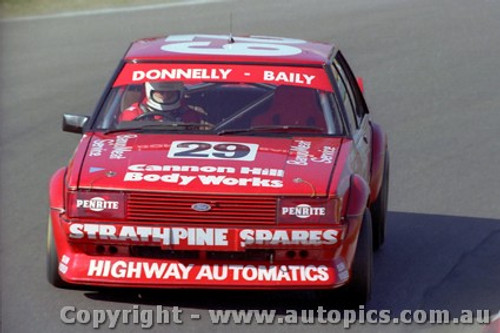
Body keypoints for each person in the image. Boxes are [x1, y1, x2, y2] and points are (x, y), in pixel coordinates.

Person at [119, 81, 205, 122]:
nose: (165, 96)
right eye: (160, 92)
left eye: (170, 93)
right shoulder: (133, 114)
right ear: (149, 91)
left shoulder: (189, 114)